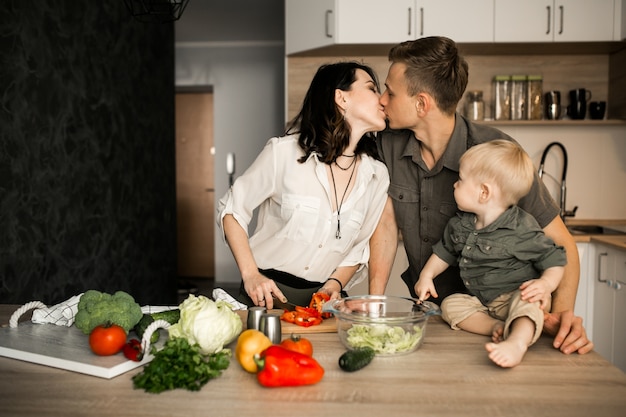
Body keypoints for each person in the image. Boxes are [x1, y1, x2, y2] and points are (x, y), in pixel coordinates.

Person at [369, 36, 594, 355]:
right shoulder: (388, 144)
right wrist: (373, 307)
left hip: (504, 314)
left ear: (421, 104)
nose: (381, 99)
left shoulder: (496, 153)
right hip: (440, 316)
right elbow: (386, 228)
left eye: (390, 92)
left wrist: (562, 317)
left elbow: (562, 242)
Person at [217, 62, 389, 309]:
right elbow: (232, 210)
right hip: (264, 299)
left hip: (321, 307)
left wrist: (334, 285)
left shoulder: (377, 175)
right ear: (341, 98)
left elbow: (358, 247)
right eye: (372, 88)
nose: (382, 99)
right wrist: (251, 275)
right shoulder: (283, 153)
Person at [416, 140, 567, 367]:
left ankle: (517, 342)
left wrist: (546, 285)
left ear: (484, 192)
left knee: (530, 306)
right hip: (481, 302)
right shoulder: (459, 224)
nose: (454, 185)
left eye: (461, 180)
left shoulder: (521, 227)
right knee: (450, 304)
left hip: (515, 297)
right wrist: (426, 276)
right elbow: (444, 252)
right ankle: (496, 328)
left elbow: (555, 258)